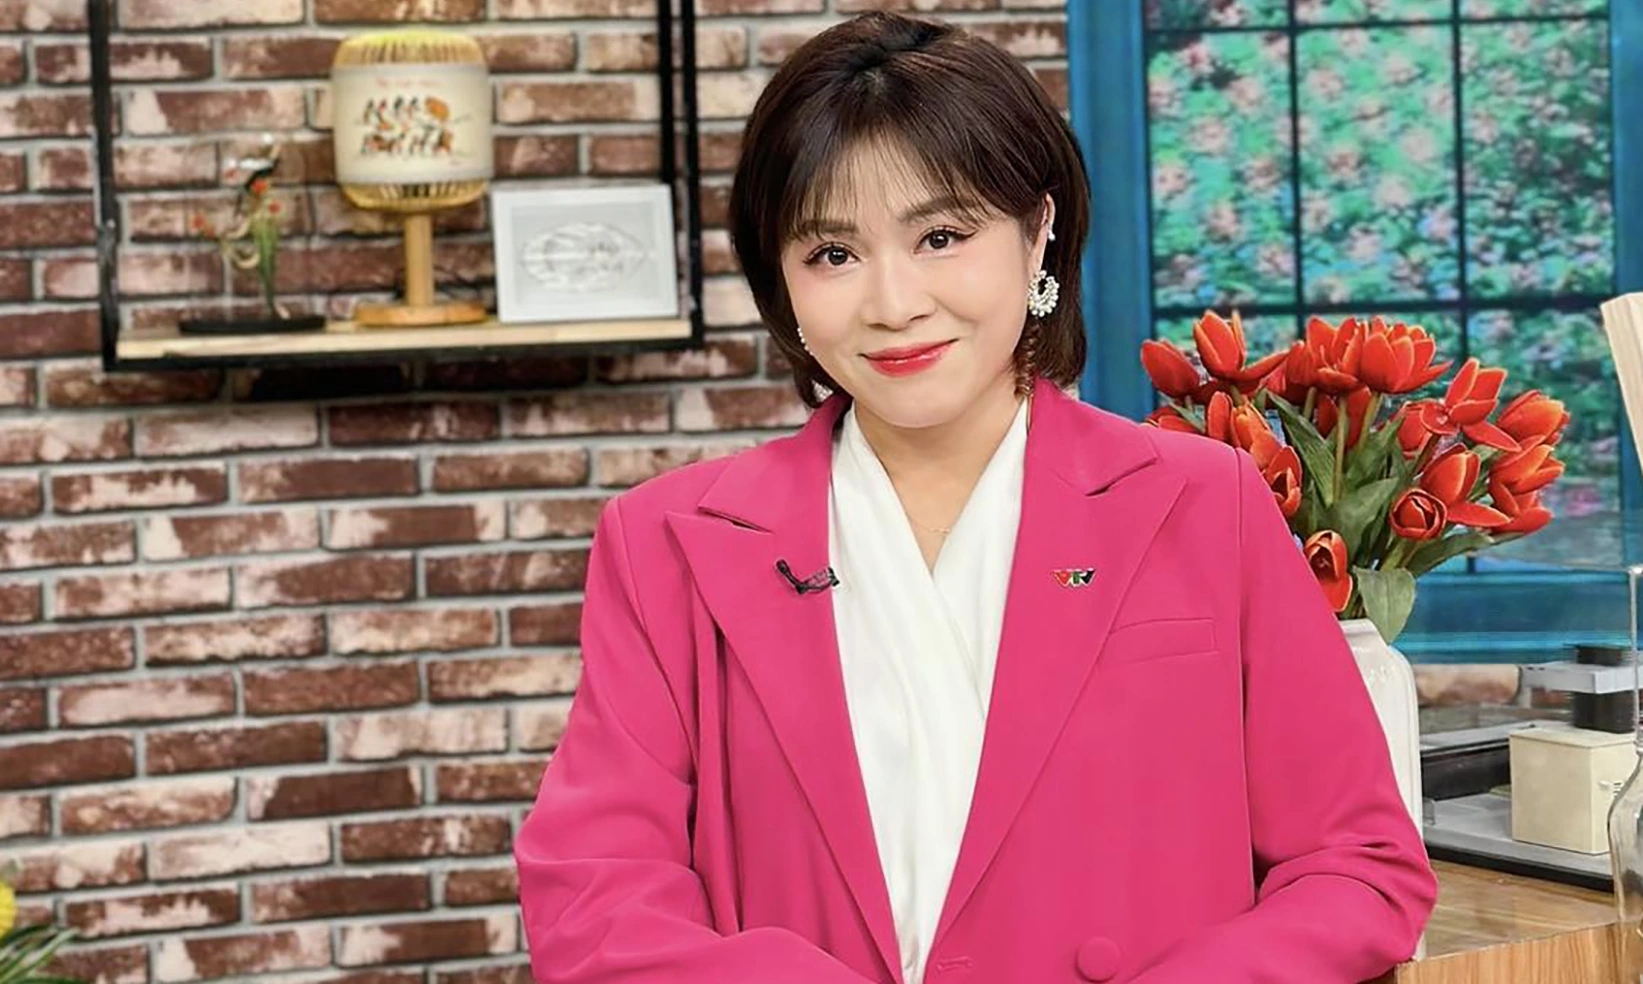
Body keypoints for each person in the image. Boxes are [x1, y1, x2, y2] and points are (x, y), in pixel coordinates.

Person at [515, 12, 1437, 984]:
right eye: (831, 254)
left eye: (941, 236)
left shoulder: (1205, 504)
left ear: (1037, 233)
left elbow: (1358, 868)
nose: (893, 303)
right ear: (779, 280)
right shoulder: (664, 544)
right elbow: (594, 900)